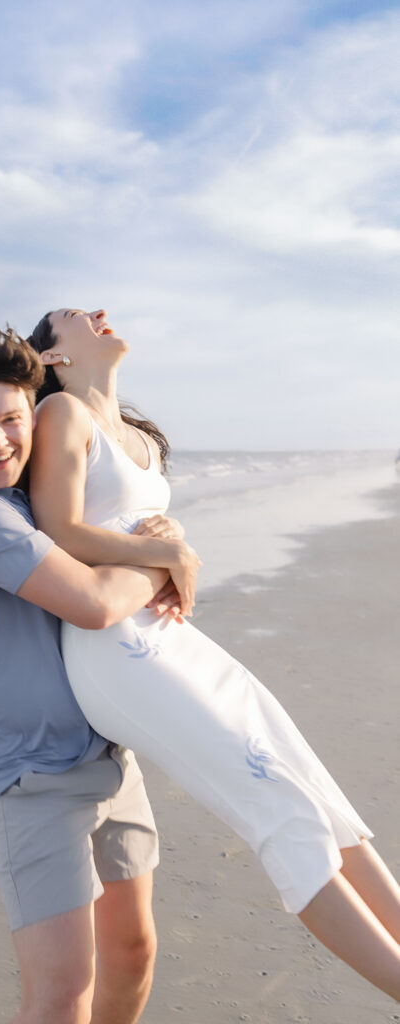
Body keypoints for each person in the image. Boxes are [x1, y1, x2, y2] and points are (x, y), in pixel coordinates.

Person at [26, 306, 400, 1002]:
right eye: (73, 316)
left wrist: (166, 542)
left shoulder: (132, 434)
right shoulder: (60, 416)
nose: (97, 314)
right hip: (114, 649)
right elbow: (58, 531)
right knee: (277, 808)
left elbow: (127, 524)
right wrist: (165, 549)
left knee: (312, 787)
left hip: (169, 637)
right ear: (52, 358)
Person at [0, 324, 187, 1024]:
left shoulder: (32, 495)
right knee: (61, 992)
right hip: (29, 775)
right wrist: (164, 559)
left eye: (11, 420)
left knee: (131, 952)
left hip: (105, 753)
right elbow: (96, 604)